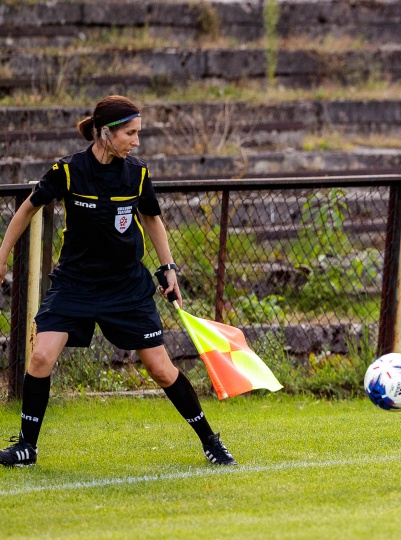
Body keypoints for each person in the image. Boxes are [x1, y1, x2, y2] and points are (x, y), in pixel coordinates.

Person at [0, 96, 237, 466]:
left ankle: (210, 440)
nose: (136, 141)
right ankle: (26, 447)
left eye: (138, 133)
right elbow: (28, 207)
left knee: (160, 368)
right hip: (75, 284)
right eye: (131, 133)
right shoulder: (68, 171)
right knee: (42, 355)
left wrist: (168, 267)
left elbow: (152, 218)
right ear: (105, 133)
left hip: (126, 287)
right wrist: (1, 257)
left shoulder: (137, 173)